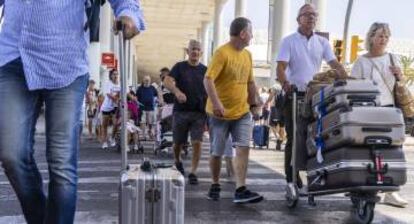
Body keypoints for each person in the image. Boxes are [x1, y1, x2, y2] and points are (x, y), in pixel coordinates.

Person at [0, 1, 144, 223]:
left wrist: (129, 14)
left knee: (61, 164)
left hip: (65, 61)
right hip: (13, 56)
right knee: (11, 154)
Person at [276, 3, 347, 195]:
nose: (311, 18)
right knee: (294, 138)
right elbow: (281, 67)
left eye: (314, 15)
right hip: (294, 95)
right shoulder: (289, 41)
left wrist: (345, 77)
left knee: (314, 137)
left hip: (315, 96)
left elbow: (334, 64)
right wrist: (285, 84)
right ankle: (291, 178)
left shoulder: (322, 43)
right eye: (307, 15)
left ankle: (313, 173)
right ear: (298, 19)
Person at [204, 17, 263, 204]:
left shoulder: (247, 55)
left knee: (243, 148)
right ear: (243, 33)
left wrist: (254, 104)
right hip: (219, 114)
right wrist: (217, 103)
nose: (252, 37)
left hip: (242, 112)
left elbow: (251, 82)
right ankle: (214, 183)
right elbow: (208, 79)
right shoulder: (222, 53)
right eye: (250, 33)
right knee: (217, 151)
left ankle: (240, 188)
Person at [351, 22, 408, 208]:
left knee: (392, 149)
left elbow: (401, 83)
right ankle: (365, 186)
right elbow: (353, 87)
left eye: (386, 36)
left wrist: (400, 75)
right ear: (371, 37)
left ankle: (391, 191)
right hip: (366, 111)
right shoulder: (361, 61)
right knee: (366, 150)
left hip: (389, 108)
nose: (383, 40)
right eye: (380, 36)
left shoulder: (392, 58)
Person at [163, 39, 207, 185]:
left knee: (197, 142)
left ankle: (193, 172)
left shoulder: (205, 70)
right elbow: (167, 81)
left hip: (199, 113)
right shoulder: (179, 67)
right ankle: (177, 160)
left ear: (201, 53)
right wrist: (177, 92)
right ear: (187, 52)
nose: (195, 51)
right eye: (192, 49)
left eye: (197, 49)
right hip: (180, 112)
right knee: (177, 143)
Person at [136, 75, 163, 140]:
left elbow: (157, 95)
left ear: (150, 81)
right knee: (143, 122)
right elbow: (136, 98)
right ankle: (143, 134)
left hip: (151, 108)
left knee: (150, 122)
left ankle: (149, 131)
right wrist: (138, 104)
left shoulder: (152, 88)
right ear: (143, 81)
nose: (147, 81)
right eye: (146, 80)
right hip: (142, 108)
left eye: (148, 80)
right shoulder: (140, 88)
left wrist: (159, 101)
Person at [101, 69, 121, 149]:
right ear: (111, 75)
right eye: (114, 74)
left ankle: (112, 137)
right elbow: (109, 95)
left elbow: (122, 94)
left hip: (114, 107)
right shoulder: (108, 84)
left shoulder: (119, 84)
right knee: (104, 125)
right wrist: (116, 98)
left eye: (116, 74)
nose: (115, 76)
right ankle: (104, 142)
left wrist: (119, 98)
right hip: (106, 107)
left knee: (116, 123)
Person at [265, 82, 286, 150]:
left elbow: (271, 95)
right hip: (284, 109)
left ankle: (278, 138)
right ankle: (280, 140)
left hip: (276, 109)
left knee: (271, 124)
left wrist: (266, 103)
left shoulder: (276, 86)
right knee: (282, 126)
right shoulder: (286, 85)